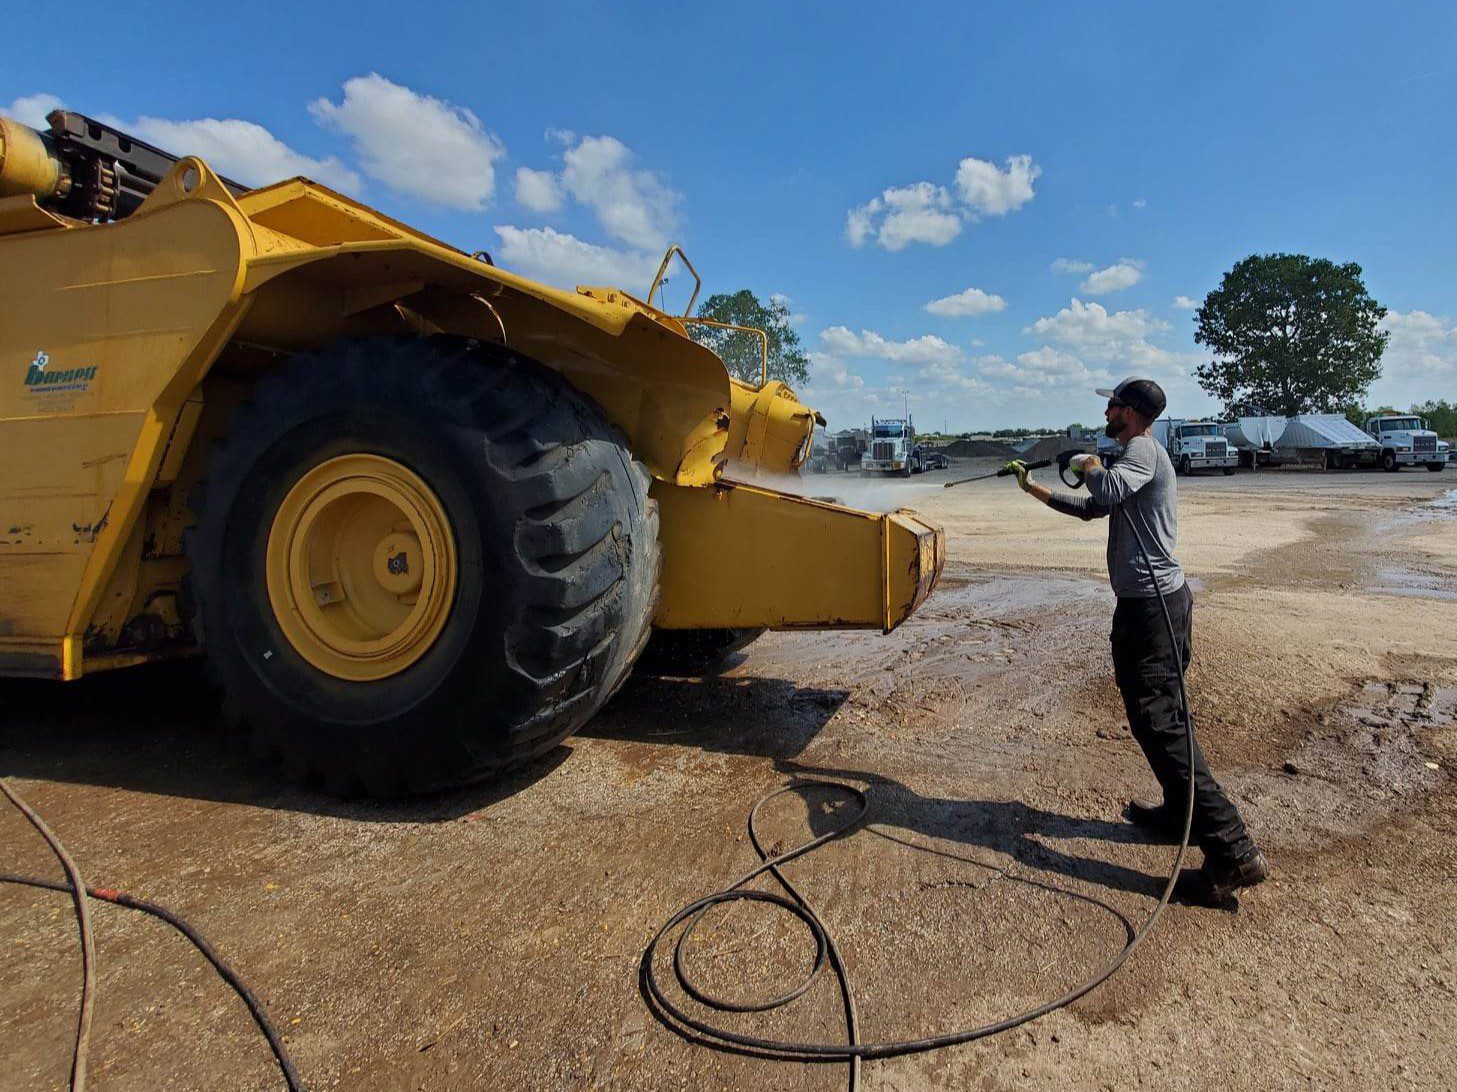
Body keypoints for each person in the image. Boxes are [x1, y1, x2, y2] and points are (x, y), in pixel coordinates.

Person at [1004, 377, 1267, 900]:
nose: (1106, 407)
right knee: (1159, 713)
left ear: (1134, 412)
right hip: (1148, 605)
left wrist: (1089, 464)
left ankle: (1232, 851)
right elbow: (1091, 507)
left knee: (1159, 719)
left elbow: (1105, 488)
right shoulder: (1129, 455)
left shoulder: (1143, 450)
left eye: (1114, 403)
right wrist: (1034, 489)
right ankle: (1179, 811)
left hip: (1155, 609)